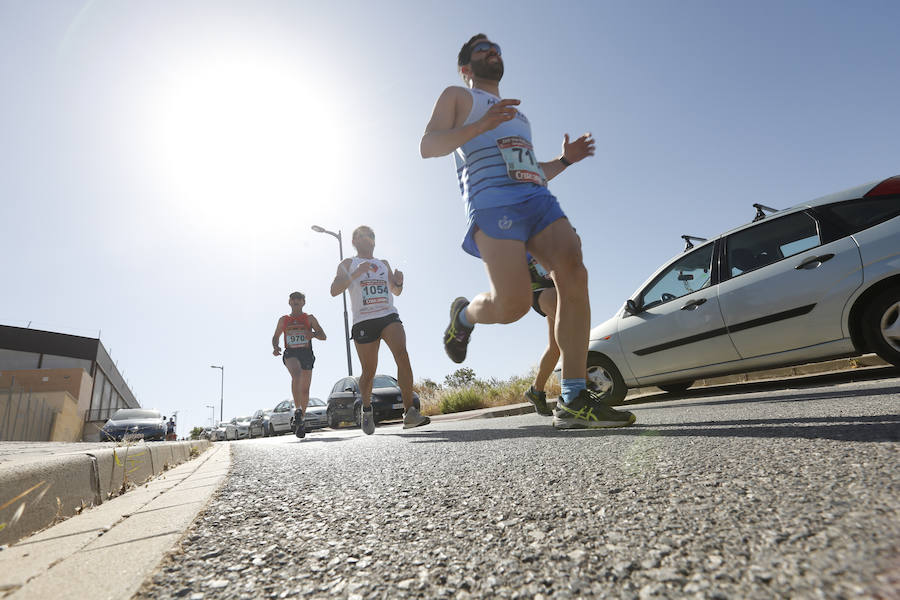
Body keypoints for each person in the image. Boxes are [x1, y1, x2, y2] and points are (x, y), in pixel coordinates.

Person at [420, 34, 635, 428]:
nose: (492, 52)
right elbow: (429, 146)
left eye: (496, 48)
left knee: (573, 270)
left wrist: (565, 161)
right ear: (466, 68)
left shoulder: (519, 116)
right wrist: (482, 123)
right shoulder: (457, 96)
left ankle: (572, 397)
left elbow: (531, 170)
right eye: (482, 50)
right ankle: (464, 317)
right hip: (492, 201)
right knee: (514, 306)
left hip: (536, 199)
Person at [329, 225, 430, 434]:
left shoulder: (383, 264)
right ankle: (367, 409)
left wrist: (399, 283)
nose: (366, 238)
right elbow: (334, 290)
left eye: (370, 235)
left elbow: (396, 291)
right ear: (354, 242)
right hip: (363, 321)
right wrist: (356, 273)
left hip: (388, 315)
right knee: (369, 371)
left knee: (402, 355)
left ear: (374, 241)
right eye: (360, 236)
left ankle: (410, 412)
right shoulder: (348, 263)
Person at [272, 291, 326, 438]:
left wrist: (313, 335)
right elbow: (275, 337)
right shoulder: (284, 320)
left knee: (305, 390)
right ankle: (297, 409)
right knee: (296, 375)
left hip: (306, 353)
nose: (296, 301)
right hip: (291, 353)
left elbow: (323, 336)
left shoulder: (309, 318)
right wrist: (276, 347)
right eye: (293, 299)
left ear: (303, 302)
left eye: (299, 299)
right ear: (289, 302)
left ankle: (300, 420)